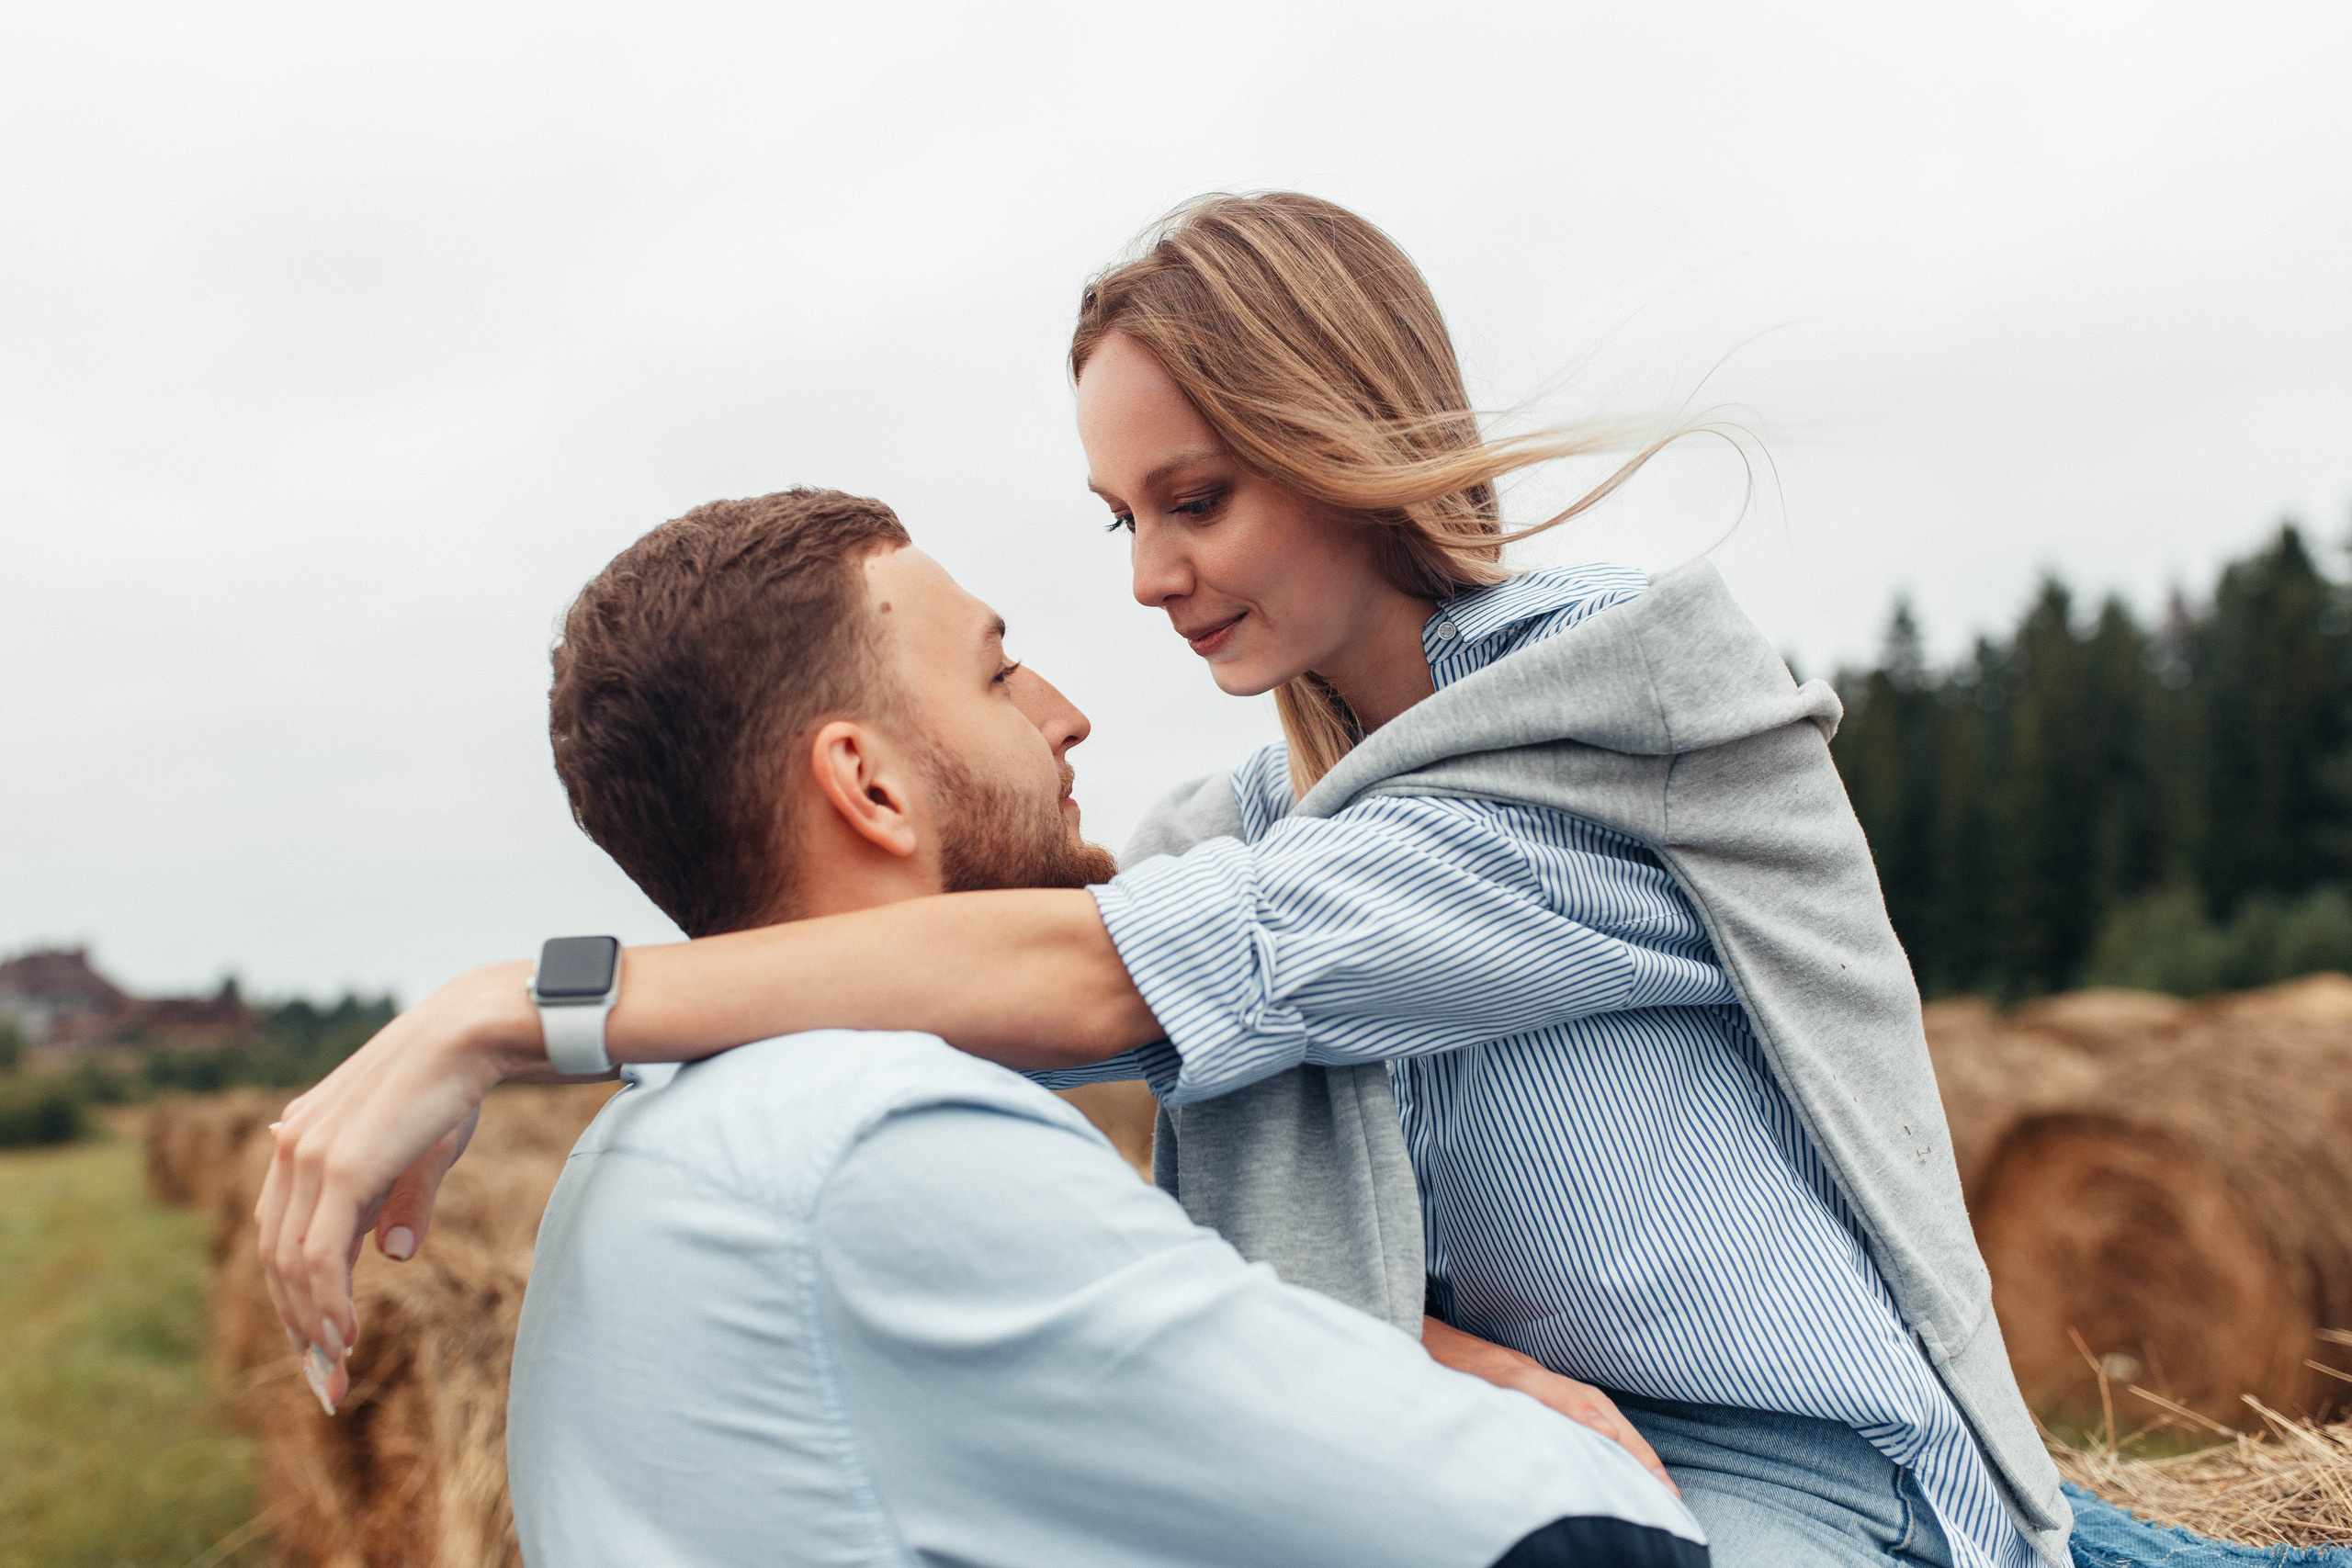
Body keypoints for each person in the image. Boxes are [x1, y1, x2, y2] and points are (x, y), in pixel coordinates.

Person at [259, 194, 2069, 1568]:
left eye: (1192, 497)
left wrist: (514, 1007)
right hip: (1582, 1476)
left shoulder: (1616, 734)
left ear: (1345, 439)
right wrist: (1441, 1355)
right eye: (1121, 519)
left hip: (1841, 1504)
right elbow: (956, 1007)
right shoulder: (1247, 822)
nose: (1147, 578)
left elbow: (1116, 977)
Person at [499, 489, 1703, 1566]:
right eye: (997, 675)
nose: (1065, 716)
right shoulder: (897, 1153)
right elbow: (1576, 1536)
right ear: (867, 786)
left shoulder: (641, 1155)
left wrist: (1400, 1351)